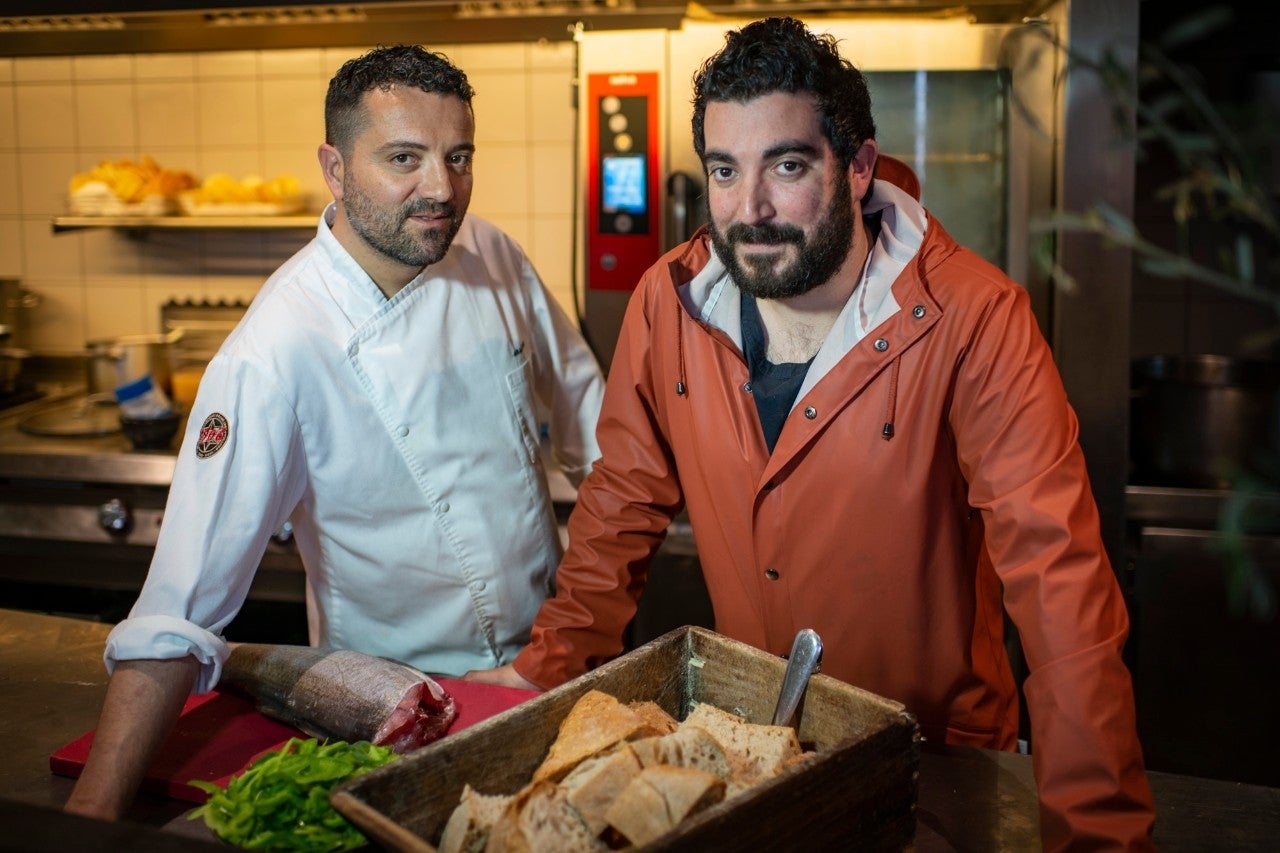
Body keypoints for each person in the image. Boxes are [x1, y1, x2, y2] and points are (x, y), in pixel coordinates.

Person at [466, 16, 1156, 850]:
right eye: (725, 170)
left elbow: (1063, 590)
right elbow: (617, 508)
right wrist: (544, 668)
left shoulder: (975, 317)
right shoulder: (669, 303)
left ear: (857, 167)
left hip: (935, 768)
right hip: (760, 754)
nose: (749, 210)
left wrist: (1100, 834)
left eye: (786, 166)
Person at [64, 44, 604, 821]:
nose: (441, 188)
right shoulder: (274, 350)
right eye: (404, 158)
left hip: (555, 676)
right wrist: (91, 812)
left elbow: (599, 444)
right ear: (335, 166)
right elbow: (178, 608)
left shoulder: (491, 254)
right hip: (404, 717)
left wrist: (585, 632)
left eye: (459, 157)